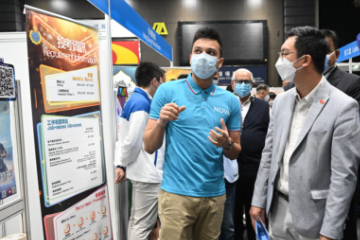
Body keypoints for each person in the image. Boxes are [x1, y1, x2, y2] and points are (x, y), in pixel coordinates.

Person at [250, 26, 360, 240]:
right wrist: (258, 200)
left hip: (315, 217)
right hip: (277, 210)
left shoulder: (343, 106)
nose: (279, 59)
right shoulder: (281, 101)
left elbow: (343, 176)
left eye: (284, 53)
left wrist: (330, 230)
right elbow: (269, 155)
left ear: (304, 60)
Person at [143, 27, 242, 240]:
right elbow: (149, 146)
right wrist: (161, 122)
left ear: (220, 62)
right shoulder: (167, 91)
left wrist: (226, 144)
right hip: (176, 195)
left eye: (211, 52)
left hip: (214, 196)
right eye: (198, 51)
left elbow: (235, 152)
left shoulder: (231, 101)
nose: (203, 56)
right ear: (190, 57)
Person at [114, 62, 165, 240]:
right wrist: (124, 164)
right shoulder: (141, 104)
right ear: (154, 81)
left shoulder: (135, 100)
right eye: (161, 82)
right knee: (142, 225)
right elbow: (132, 142)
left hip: (143, 173)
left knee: (137, 222)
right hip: (147, 174)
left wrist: (122, 163)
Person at [320, 28, 360, 240]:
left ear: (336, 54)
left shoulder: (351, 83)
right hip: (307, 175)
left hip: (336, 169)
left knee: (341, 228)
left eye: (326, 49)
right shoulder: (296, 84)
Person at [231, 69, 270, 240]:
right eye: (239, 81)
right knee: (233, 216)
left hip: (255, 170)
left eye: (247, 82)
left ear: (252, 85)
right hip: (230, 170)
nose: (243, 85)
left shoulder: (262, 106)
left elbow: (270, 134)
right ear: (232, 84)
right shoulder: (226, 103)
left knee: (256, 214)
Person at [219, 84, 240, 240]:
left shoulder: (232, 108)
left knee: (228, 226)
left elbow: (235, 148)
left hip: (228, 177)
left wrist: (227, 142)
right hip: (204, 178)